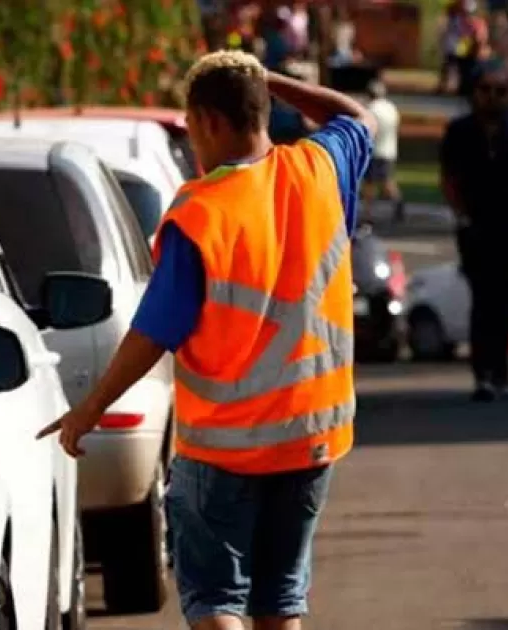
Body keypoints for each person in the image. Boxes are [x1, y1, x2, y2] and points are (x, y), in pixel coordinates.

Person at [38, 50, 375, 630]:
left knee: (218, 603)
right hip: (309, 441)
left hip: (225, 449)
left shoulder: (202, 213)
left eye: (192, 127)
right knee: (281, 602)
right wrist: (265, 80)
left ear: (211, 123)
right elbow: (356, 117)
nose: (193, 143)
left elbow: (153, 333)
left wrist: (88, 409)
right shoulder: (320, 170)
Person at [440, 61, 508, 402]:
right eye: (486, 90)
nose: (493, 97)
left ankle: (502, 371)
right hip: (475, 225)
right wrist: (461, 216)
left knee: (504, 300)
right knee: (481, 299)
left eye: (500, 91)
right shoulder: (459, 132)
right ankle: (482, 375)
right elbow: (449, 180)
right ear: (475, 93)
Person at [363, 80, 405, 222]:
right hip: (389, 150)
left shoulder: (370, 109)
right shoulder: (391, 107)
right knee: (387, 180)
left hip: (375, 150)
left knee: (370, 183)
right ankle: (397, 201)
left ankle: (368, 213)